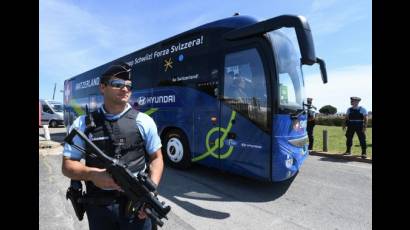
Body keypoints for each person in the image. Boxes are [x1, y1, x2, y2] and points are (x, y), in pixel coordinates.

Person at [62, 62, 164, 230]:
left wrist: (150, 191)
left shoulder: (144, 121)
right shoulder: (82, 124)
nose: (125, 89)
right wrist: (93, 175)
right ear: (102, 87)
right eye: (117, 84)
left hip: (136, 209)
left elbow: (157, 158)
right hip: (99, 210)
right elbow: (67, 166)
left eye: (129, 86)